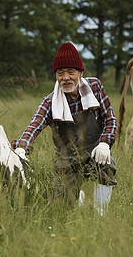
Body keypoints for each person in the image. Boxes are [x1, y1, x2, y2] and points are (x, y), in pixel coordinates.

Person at [11, 42, 117, 215]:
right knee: (59, 208)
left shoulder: (95, 87)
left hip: (94, 151)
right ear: (56, 76)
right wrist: (21, 147)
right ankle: (78, 198)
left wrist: (105, 144)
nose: (66, 78)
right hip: (67, 159)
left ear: (80, 73)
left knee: (106, 165)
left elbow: (110, 120)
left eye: (71, 72)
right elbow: (34, 125)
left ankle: (100, 215)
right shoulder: (50, 101)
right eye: (60, 73)